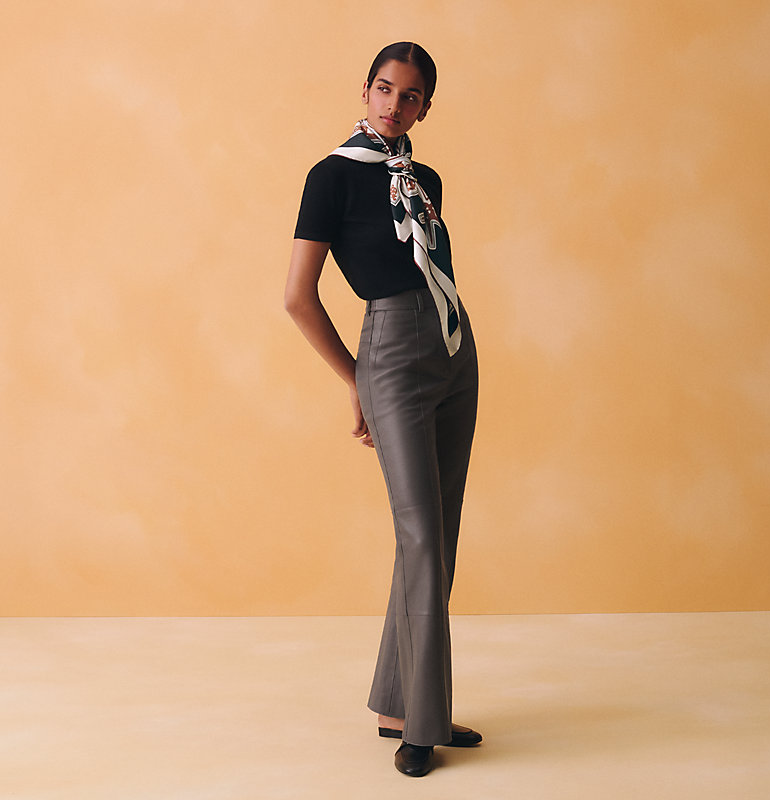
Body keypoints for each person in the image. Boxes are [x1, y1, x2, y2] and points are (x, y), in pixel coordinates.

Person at [284, 41, 481, 778]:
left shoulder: (425, 181)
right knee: (420, 535)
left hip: (454, 349)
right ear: (365, 91)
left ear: (425, 107)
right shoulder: (331, 176)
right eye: (385, 89)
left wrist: (451, 349)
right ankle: (423, 725)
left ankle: (402, 705)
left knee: (438, 536)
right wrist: (357, 379)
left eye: (411, 96)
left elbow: (434, 271)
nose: (395, 105)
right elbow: (298, 298)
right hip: (391, 354)